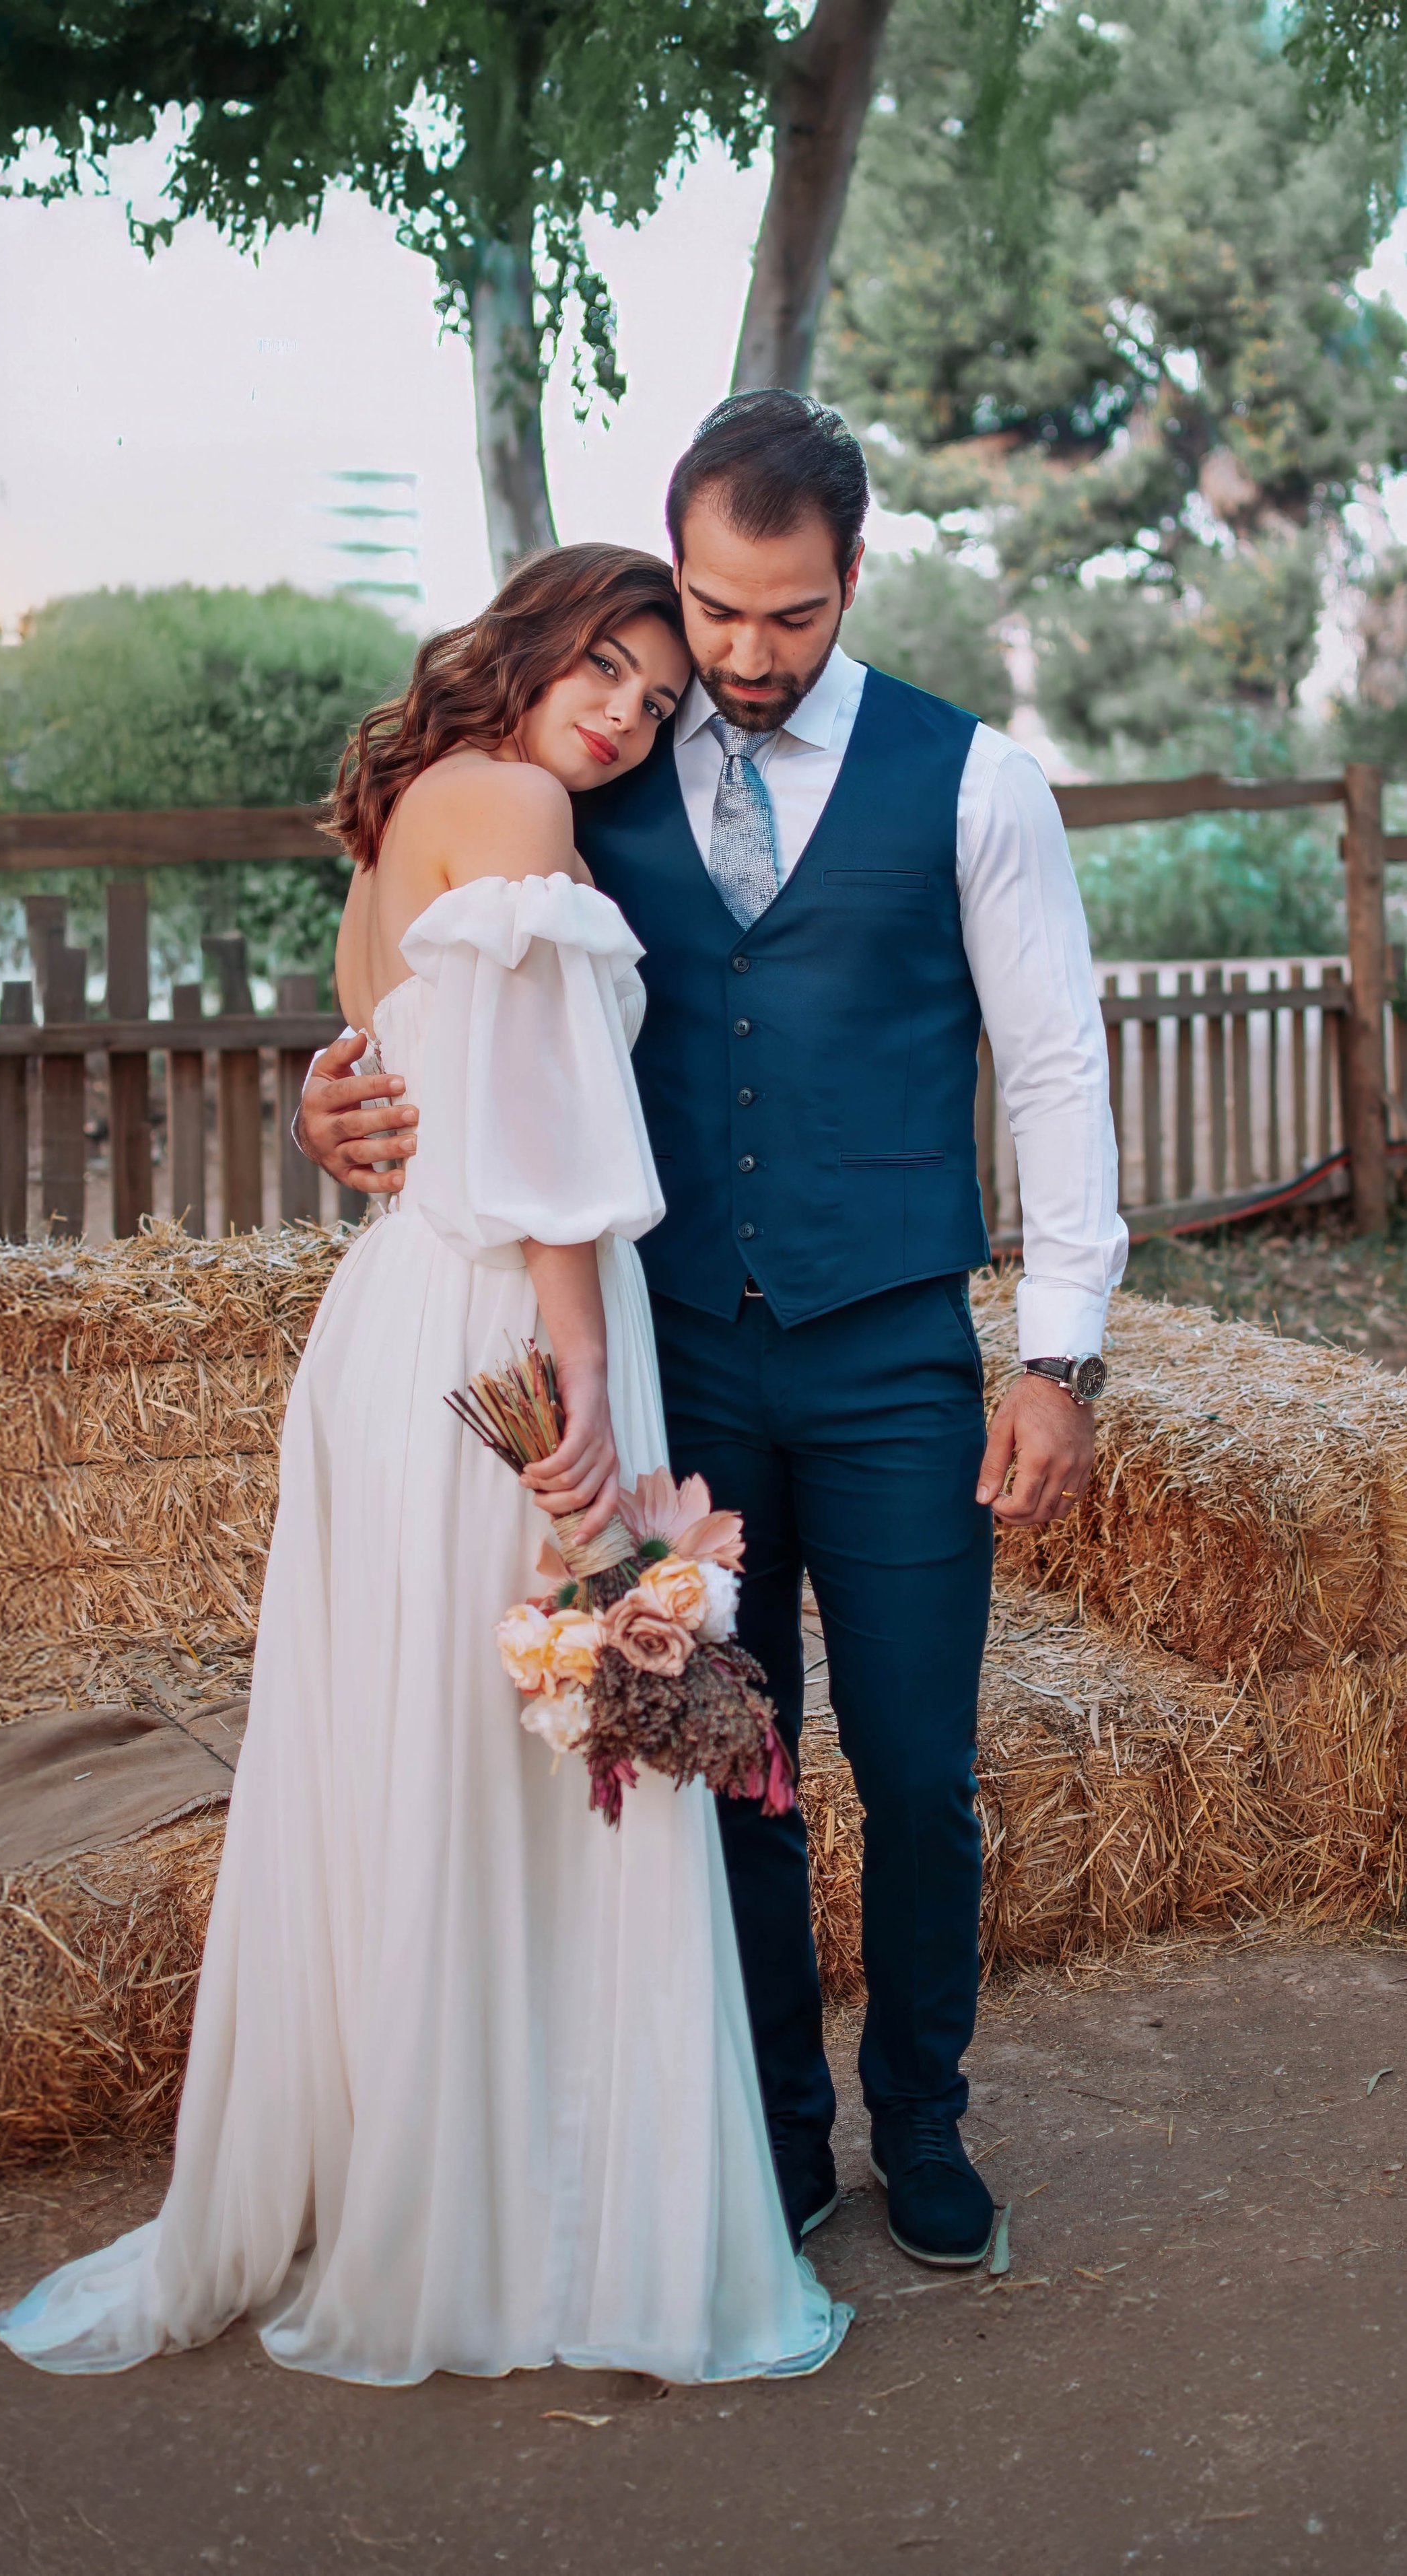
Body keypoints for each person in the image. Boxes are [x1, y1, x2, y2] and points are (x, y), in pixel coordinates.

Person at [0, 542, 848, 2386]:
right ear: (530, 643)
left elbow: (398, 1108)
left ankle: (436, 2179)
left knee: (437, 1757)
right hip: (506, 1346)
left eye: (655, 689)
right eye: (606, 664)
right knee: (533, 1751)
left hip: (391, 1332)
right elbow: (535, 1136)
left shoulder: (393, 832)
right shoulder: (520, 803)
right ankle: (525, 2226)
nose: (624, 710)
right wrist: (586, 1388)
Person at [298, 394, 1128, 2271]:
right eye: (713, 611)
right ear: (674, 565)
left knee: (915, 1766)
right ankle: (772, 2133)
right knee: (722, 1754)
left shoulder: (971, 781)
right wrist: (330, 1093)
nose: (741, 660)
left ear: (854, 576)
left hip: (894, 1348)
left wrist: (1058, 1358)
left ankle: (923, 2116)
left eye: (791, 617)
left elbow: (1059, 1068)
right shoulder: (582, 767)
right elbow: (439, 974)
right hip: (678, 1361)